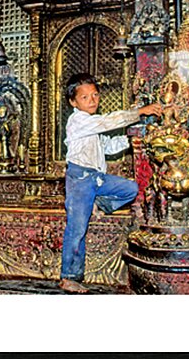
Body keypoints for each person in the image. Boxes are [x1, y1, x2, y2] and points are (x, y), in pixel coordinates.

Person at [59, 73, 163, 293]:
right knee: (77, 229)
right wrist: (138, 113)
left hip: (97, 179)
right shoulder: (78, 121)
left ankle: (98, 203)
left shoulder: (91, 127)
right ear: (73, 102)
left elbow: (107, 146)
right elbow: (107, 122)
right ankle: (69, 277)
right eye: (85, 97)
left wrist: (131, 140)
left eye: (95, 95)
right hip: (80, 180)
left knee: (130, 188)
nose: (92, 100)